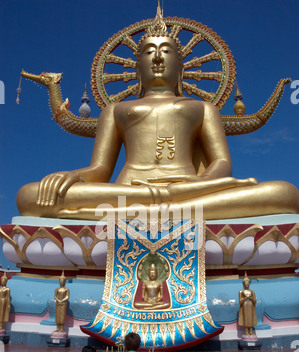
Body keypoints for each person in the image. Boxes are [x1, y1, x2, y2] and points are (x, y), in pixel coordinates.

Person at [16, 7, 299, 221]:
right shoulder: (116, 110)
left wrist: (200, 183)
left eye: (167, 51)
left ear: (181, 66)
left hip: (190, 191)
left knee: (285, 193)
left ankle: (157, 207)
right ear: (137, 67)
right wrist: (72, 175)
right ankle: (167, 206)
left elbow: (222, 163)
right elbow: (100, 171)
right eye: (149, 52)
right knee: (30, 195)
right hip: (130, 193)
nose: (158, 58)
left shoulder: (202, 108)